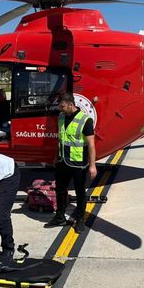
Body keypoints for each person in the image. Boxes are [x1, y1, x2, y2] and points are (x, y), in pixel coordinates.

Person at [44, 92, 97, 233]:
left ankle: (80, 219)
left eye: (62, 106)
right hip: (62, 161)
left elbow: (91, 145)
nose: (60, 109)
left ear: (70, 104)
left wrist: (92, 166)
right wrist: (56, 157)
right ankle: (60, 217)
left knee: (80, 193)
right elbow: (60, 139)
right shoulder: (61, 117)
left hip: (78, 163)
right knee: (60, 190)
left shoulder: (85, 120)